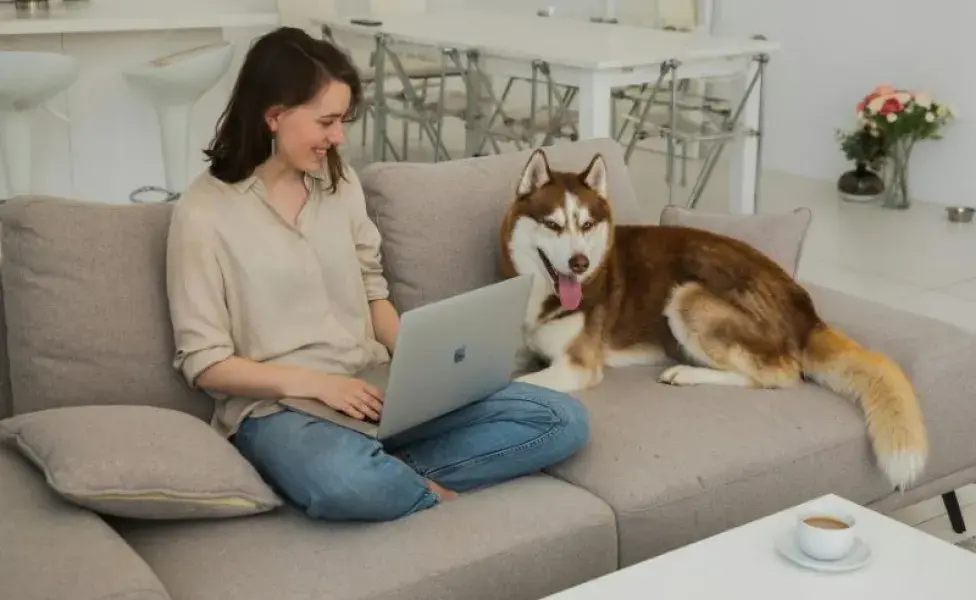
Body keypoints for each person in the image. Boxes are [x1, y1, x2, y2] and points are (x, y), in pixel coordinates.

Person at [165, 26, 590, 522]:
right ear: (274, 116)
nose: (338, 137)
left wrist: (421, 360)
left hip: (374, 386)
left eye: (343, 121)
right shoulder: (203, 214)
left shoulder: (338, 184)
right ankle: (406, 487)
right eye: (326, 121)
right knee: (345, 481)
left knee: (563, 419)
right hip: (282, 413)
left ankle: (391, 478)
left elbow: (373, 291)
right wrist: (317, 385)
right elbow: (204, 363)